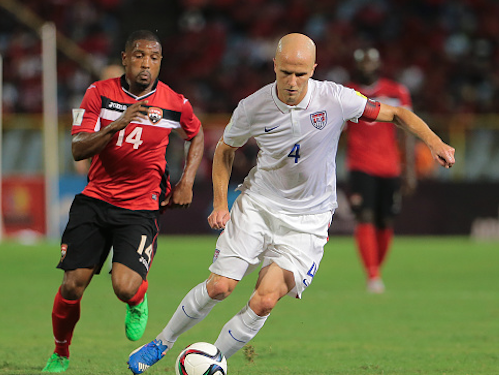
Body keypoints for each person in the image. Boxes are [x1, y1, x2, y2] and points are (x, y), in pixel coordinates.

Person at [127, 33, 455, 374]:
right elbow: (225, 150)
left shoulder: (336, 98)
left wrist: (435, 143)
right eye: (286, 73)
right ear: (275, 67)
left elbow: (398, 114)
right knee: (221, 286)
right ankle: (161, 344)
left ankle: (215, 359)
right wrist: (221, 204)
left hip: (309, 219)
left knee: (265, 299)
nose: (293, 82)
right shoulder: (253, 106)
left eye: (301, 74)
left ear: (314, 69)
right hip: (259, 205)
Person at [42, 30, 205, 373]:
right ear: (125, 58)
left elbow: (197, 134)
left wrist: (187, 182)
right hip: (95, 200)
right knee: (72, 285)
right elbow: (77, 148)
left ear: (160, 62)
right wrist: (117, 123)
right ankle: (60, 353)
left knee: (124, 286)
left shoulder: (175, 102)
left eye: (154, 58)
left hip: (141, 207)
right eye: (140, 56)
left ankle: (137, 298)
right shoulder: (97, 94)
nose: (147, 64)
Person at [344, 47, 415, 293]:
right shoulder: (346, 93)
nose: (366, 66)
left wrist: (410, 170)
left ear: (378, 64)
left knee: (386, 221)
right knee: (364, 216)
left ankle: (376, 270)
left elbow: (408, 131)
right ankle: (372, 274)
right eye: (362, 61)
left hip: (390, 167)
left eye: (370, 62)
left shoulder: (397, 92)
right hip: (360, 166)